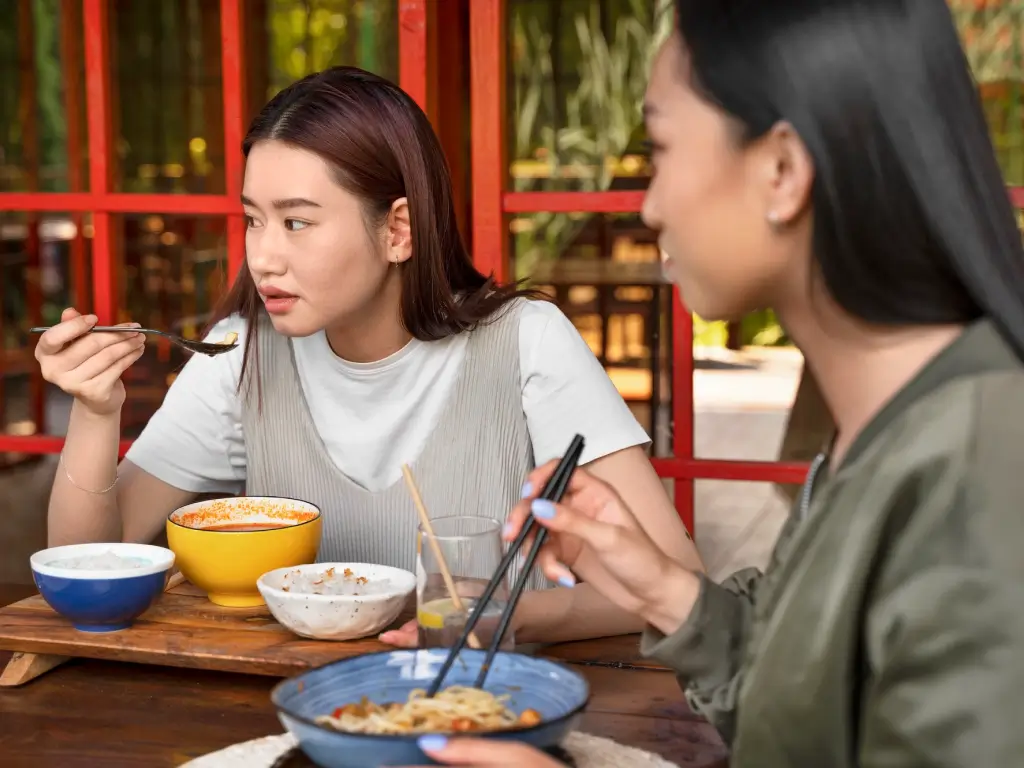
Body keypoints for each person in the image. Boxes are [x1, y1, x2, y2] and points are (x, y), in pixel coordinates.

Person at [416, 0, 1024, 765]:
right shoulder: (882, 424)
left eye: (662, 149)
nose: (648, 205)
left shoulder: (981, 468)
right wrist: (666, 592)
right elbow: (816, 712)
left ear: (782, 170)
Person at [34, 66, 701, 647]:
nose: (263, 255)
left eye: (297, 222)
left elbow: (679, 583)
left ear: (399, 230)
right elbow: (86, 565)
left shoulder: (527, 342)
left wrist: (515, 616)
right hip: (286, 704)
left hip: (475, 716)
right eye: (253, 220)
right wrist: (96, 412)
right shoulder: (240, 354)